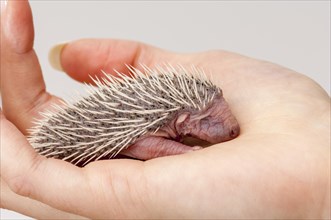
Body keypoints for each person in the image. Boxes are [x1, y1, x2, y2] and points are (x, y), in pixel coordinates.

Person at [1, 1, 330, 219]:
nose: (230, 128)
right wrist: (188, 156)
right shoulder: (152, 126)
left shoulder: (184, 111)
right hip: (65, 141)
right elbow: (140, 144)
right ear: (183, 120)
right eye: (210, 121)